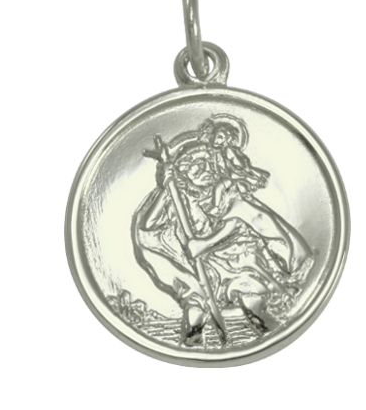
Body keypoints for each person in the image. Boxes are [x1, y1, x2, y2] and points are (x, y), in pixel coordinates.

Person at [133, 123, 312, 347]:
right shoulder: (176, 198)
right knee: (195, 305)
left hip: (234, 259)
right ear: (182, 173)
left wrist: (204, 244)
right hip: (199, 268)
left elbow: (237, 222)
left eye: (207, 164)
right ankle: (192, 344)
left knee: (250, 295)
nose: (204, 170)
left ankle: (268, 333)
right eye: (195, 167)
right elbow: (148, 226)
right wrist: (165, 189)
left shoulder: (226, 193)